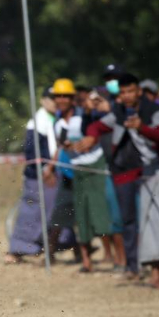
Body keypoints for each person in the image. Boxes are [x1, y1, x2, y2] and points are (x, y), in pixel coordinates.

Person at [79, 74, 159, 288]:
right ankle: (156, 276)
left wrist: (141, 128)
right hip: (146, 173)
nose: (127, 96)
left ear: (138, 92)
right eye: (123, 92)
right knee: (149, 222)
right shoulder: (119, 112)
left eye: (130, 91)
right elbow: (98, 127)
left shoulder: (154, 110)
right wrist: (90, 137)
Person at [44, 78, 112, 273]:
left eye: (66, 96)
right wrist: (50, 167)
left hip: (93, 169)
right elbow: (59, 146)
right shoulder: (57, 123)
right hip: (71, 172)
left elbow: (95, 128)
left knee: (98, 213)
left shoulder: (83, 116)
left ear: (73, 98)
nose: (62, 99)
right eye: (58, 96)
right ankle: (84, 261)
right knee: (74, 216)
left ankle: (111, 255)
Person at [8, 87, 59, 262]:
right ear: (43, 100)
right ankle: (17, 250)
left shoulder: (57, 118)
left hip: (55, 174)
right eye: (52, 98)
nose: (55, 102)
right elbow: (32, 152)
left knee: (56, 214)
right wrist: (45, 170)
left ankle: (55, 248)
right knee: (31, 214)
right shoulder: (37, 122)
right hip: (38, 177)